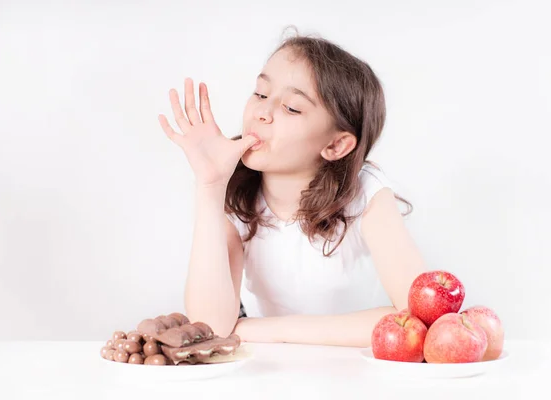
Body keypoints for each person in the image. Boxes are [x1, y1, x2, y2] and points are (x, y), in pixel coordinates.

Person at [158, 30, 427, 348]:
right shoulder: (236, 190)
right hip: (266, 373)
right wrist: (210, 185)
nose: (261, 113)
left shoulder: (367, 192)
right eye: (260, 94)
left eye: (292, 108)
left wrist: (261, 330)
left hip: (354, 372)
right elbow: (212, 325)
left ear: (336, 144)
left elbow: (417, 319)